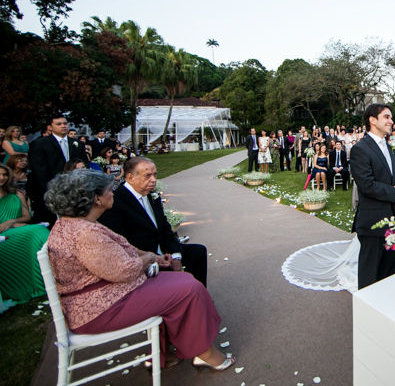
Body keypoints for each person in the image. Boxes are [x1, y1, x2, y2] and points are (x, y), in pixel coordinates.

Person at [44, 170, 234, 371]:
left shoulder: (76, 224)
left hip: (103, 296)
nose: (114, 193)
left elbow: (122, 247)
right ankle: (204, 353)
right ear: (96, 199)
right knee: (189, 289)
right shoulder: (85, 233)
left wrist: (154, 257)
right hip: (97, 309)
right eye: (110, 190)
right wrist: (150, 258)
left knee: (180, 282)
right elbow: (124, 271)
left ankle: (165, 354)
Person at [99, 157, 208, 286]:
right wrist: (154, 259)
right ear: (130, 177)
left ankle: (199, 296)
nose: (153, 180)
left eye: (155, 175)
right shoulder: (115, 202)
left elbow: (165, 229)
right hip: (143, 260)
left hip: (164, 251)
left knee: (198, 252)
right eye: (147, 176)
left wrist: (176, 256)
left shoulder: (151, 196)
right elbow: (121, 244)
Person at [350, 104, 395, 289]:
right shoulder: (360, 149)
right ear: (372, 120)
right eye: (386, 117)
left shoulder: (392, 148)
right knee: (370, 278)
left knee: (388, 275)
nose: (391, 121)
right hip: (372, 223)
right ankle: (366, 316)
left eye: (391, 117)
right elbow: (367, 185)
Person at [0, 162, 49, 303]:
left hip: (17, 229)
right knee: (38, 231)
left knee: (39, 231)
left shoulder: (16, 194)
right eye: (0, 174)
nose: (2, 177)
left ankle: (48, 280)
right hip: (3, 237)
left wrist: (10, 222)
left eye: (4, 174)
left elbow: (27, 217)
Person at [28, 114, 87, 226]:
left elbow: (84, 165)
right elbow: (39, 170)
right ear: (50, 127)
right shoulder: (40, 144)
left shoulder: (77, 144)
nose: (63, 126)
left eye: (65, 123)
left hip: (75, 189)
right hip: (51, 189)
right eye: (59, 124)